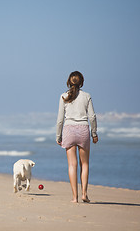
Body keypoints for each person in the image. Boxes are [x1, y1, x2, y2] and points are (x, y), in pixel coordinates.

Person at [56, 71, 98, 203]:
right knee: (84, 164)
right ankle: (84, 194)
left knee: (72, 165)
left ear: (69, 82)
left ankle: (75, 197)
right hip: (83, 130)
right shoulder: (87, 96)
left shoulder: (63, 96)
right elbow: (92, 116)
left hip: (69, 130)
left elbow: (60, 120)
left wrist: (58, 136)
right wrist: (94, 133)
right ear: (82, 82)